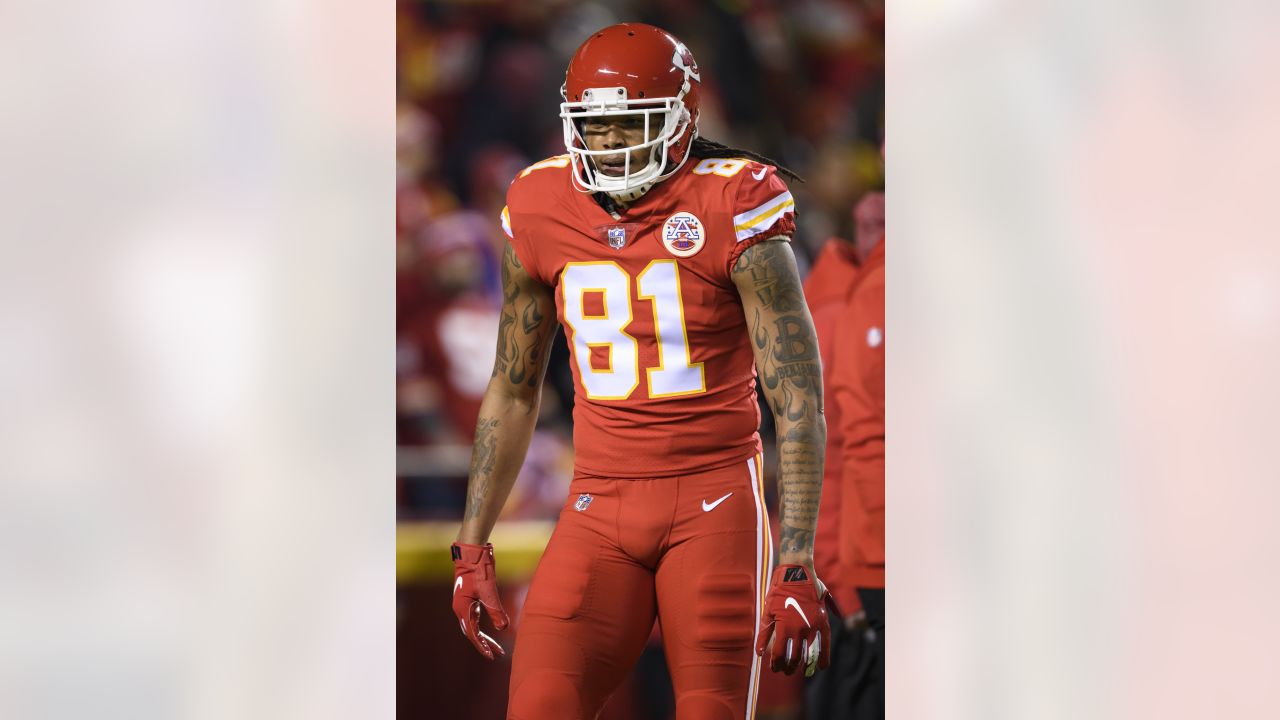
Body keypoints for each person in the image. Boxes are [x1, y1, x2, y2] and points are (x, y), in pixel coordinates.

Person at [449, 23, 831, 719]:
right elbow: (512, 388)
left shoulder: (733, 202)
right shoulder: (539, 204)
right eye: (596, 126)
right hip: (597, 502)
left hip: (714, 500)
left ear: (681, 120)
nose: (611, 143)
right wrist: (471, 543)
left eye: (632, 124)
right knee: (538, 705)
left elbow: (797, 393)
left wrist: (798, 556)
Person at [804, 192, 885, 719]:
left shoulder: (843, 301)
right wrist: (843, 589)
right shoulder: (848, 309)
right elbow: (825, 463)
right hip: (859, 579)